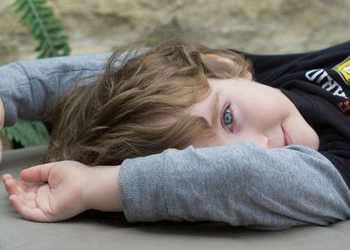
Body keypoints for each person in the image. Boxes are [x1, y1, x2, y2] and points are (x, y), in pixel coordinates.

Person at [1, 39, 350, 230]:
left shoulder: (273, 78)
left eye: (228, 118)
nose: (262, 146)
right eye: (215, 158)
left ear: (226, 67)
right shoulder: (335, 168)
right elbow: (243, 176)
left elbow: (131, 68)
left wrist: (6, 94)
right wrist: (96, 186)